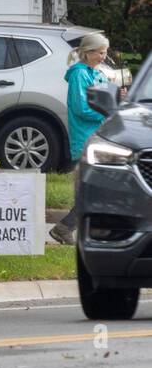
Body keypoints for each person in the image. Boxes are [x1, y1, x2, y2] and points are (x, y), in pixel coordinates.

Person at [50, 32, 112, 245]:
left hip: (100, 138)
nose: (104, 56)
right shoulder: (79, 74)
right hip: (86, 139)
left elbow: (104, 100)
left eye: (105, 52)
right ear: (88, 52)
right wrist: (106, 113)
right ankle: (66, 227)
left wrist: (116, 98)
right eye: (101, 52)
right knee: (96, 188)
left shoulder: (97, 73)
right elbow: (80, 108)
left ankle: (78, 228)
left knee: (100, 187)